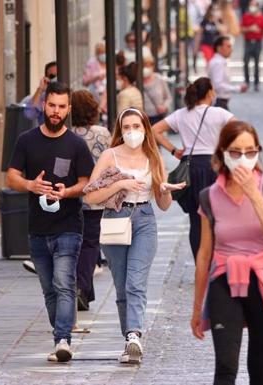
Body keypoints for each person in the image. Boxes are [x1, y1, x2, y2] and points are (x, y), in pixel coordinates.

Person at [83, 107, 185, 364]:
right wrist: (120, 184)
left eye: (136, 127)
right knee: (121, 286)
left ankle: (133, 335)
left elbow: (163, 204)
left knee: (135, 282)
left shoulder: (153, 156)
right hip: (115, 220)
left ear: (145, 129)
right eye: (126, 127)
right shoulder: (110, 155)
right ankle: (128, 340)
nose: (132, 132)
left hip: (145, 220)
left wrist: (163, 189)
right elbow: (90, 195)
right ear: (120, 130)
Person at [191, 121, 263, 385]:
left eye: (250, 151)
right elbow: (204, 255)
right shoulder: (209, 197)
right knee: (225, 365)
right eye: (235, 152)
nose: (243, 158)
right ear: (223, 152)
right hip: (224, 278)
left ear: (258, 152)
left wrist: (253, 195)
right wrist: (197, 307)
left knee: (259, 367)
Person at [6, 81, 95, 363]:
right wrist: (31, 185)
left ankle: (62, 340)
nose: (56, 112)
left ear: (69, 109)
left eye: (61, 107)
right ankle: (62, 330)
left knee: (63, 282)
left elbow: (87, 182)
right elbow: (11, 176)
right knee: (49, 288)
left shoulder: (76, 145)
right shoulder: (27, 140)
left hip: (69, 225)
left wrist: (67, 192)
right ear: (44, 105)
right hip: (37, 229)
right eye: (52, 106)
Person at [153, 77, 235, 259]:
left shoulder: (181, 114)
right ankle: (217, 260)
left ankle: (201, 264)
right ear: (210, 93)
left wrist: (173, 150)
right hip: (214, 166)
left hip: (191, 168)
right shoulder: (220, 113)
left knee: (195, 219)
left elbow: (154, 130)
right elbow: (240, 130)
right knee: (218, 216)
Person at [70, 90, 112, 311]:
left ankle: (82, 290)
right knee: (90, 244)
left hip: (72, 197)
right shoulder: (102, 134)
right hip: (96, 198)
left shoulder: (67, 133)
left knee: (75, 243)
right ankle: (82, 288)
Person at [208, 35, 249, 110]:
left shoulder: (220, 62)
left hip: (220, 102)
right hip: (218, 102)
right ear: (219, 48)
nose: (231, 49)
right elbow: (218, 85)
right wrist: (237, 88)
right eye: (228, 46)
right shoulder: (218, 63)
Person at [240, 0, 263, 92]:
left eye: (254, 5)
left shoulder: (262, 17)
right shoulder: (246, 16)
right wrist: (250, 28)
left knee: (257, 63)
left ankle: (256, 83)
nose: (252, 7)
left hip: (258, 42)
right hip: (248, 42)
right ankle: (246, 81)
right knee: (246, 61)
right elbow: (241, 29)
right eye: (251, 5)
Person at [142, 55, 172, 125]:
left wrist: (164, 107)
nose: (147, 68)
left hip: (157, 117)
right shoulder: (138, 81)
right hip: (143, 118)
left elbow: (168, 98)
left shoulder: (159, 79)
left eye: (150, 65)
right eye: (145, 66)